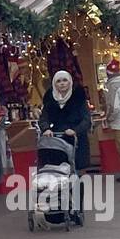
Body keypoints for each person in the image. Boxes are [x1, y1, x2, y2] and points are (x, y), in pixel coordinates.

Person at [39, 71, 90, 221]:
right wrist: (46, 128)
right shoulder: (50, 99)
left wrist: (74, 130)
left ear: (70, 82)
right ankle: (56, 210)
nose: (62, 84)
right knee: (56, 175)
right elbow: (43, 118)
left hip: (76, 140)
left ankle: (77, 210)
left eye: (64, 81)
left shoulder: (79, 98)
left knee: (76, 175)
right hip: (57, 142)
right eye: (58, 81)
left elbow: (86, 120)